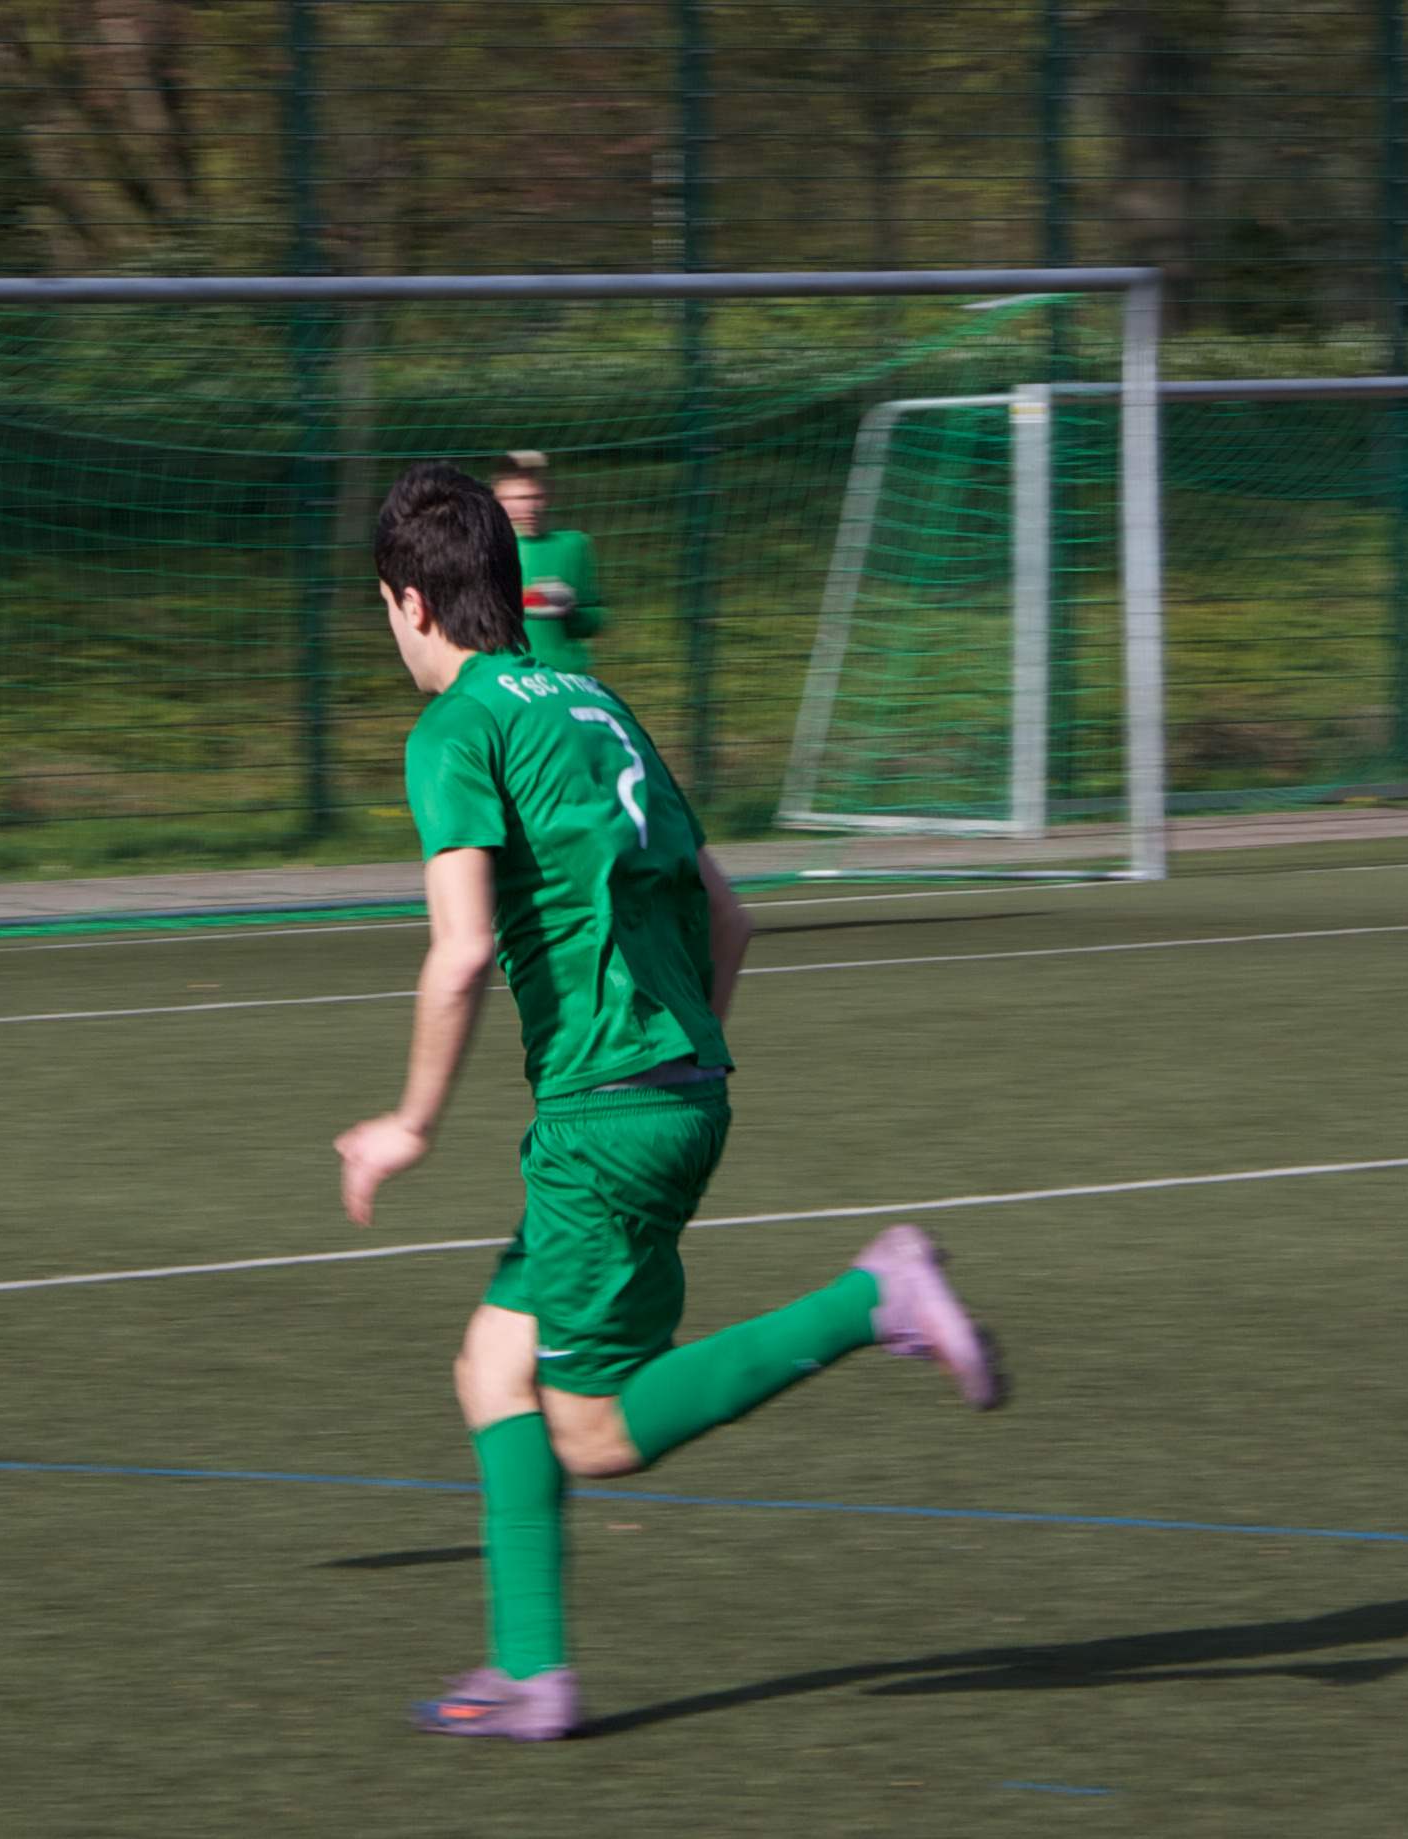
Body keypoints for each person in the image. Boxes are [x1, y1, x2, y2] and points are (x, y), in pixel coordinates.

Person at [334, 461, 1003, 1742]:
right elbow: (729, 919)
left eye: (384, 610)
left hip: (603, 1119)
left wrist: (406, 1125)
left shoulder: (455, 730)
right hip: (679, 1085)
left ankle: (873, 1298)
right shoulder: (594, 703)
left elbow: (460, 953)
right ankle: (530, 1671)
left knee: (589, 1434)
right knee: (492, 1364)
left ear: (410, 603)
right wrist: (671, 1065)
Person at [491, 452, 605, 673]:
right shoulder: (486, 549)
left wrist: (570, 610)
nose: (531, 507)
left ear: (548, 496)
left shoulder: (573, 546)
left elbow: (594, 620)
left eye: (537, 497)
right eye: (520, 499)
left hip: (564, 675)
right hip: (507, 675)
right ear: (500, 500)